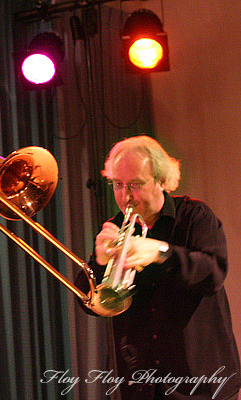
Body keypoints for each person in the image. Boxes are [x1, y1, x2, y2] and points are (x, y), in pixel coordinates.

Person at [76, 135, 240, 399]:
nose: (125, 196)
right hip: (142, 383)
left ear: (162, 181)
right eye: (118, 184)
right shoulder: (115, 226)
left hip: (200, 383)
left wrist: (160, 253)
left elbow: (213, 273)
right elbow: (88, 303)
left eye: (135, 185)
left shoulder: (195, 217)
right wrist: (100, 262)